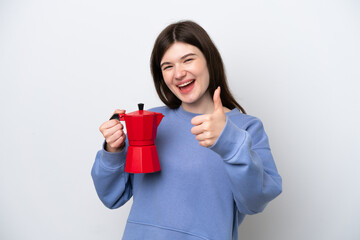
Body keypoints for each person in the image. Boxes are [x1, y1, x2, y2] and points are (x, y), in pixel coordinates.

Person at [91, 20, 282, 240]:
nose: (179, 73)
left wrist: (228, 140)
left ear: (209, 60)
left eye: (188, 60)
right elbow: (112, 197)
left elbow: (256, 201)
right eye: (168, 66)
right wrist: (112, 151)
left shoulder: (246, 128)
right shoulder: (151, 121)